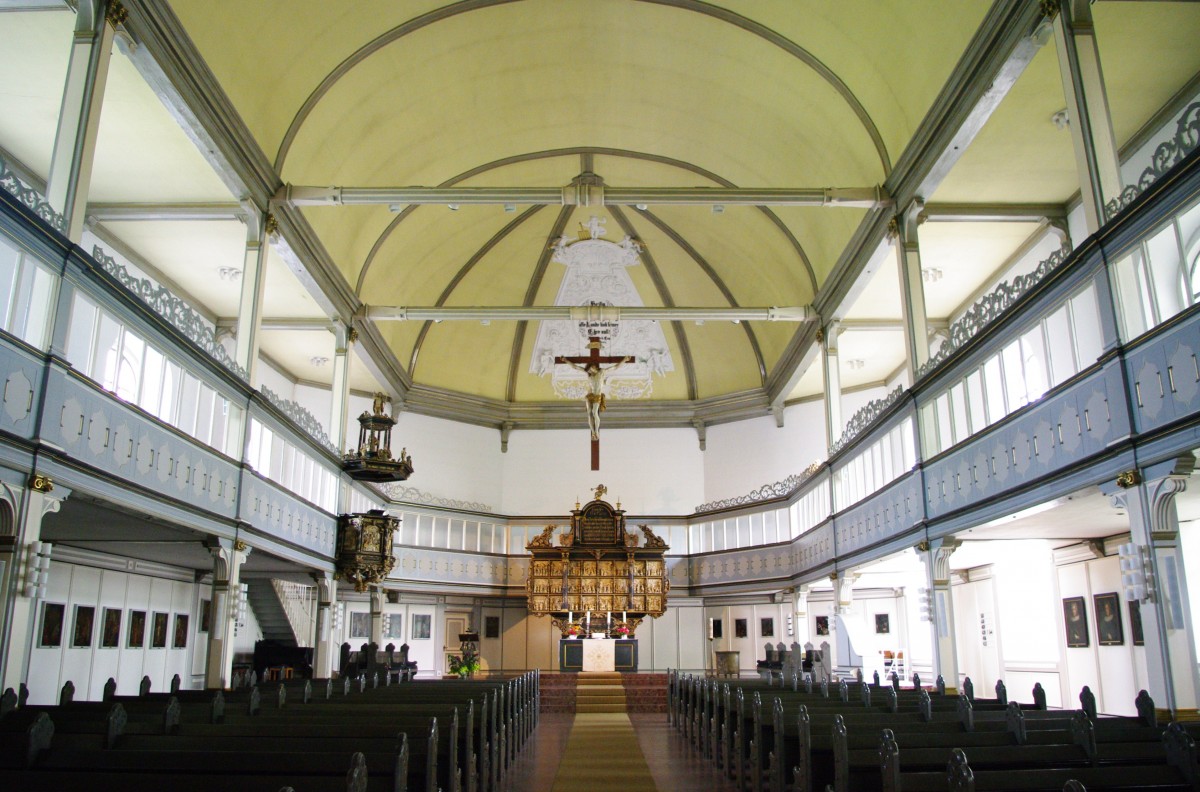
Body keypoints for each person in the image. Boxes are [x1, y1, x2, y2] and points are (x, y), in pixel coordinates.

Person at [563, 356, 633, 439]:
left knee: (594, 412)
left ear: (594, 367)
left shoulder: (602, 372)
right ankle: (593, 433)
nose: (589, 372)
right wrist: (566, 360)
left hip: (597, 395)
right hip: (590, 395)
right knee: (589, 413)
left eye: (590, 370)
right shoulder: (589, 375)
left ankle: (596, 431)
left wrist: (624, 360)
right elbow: (576, 367)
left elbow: (615, 367)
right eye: (588, 371)